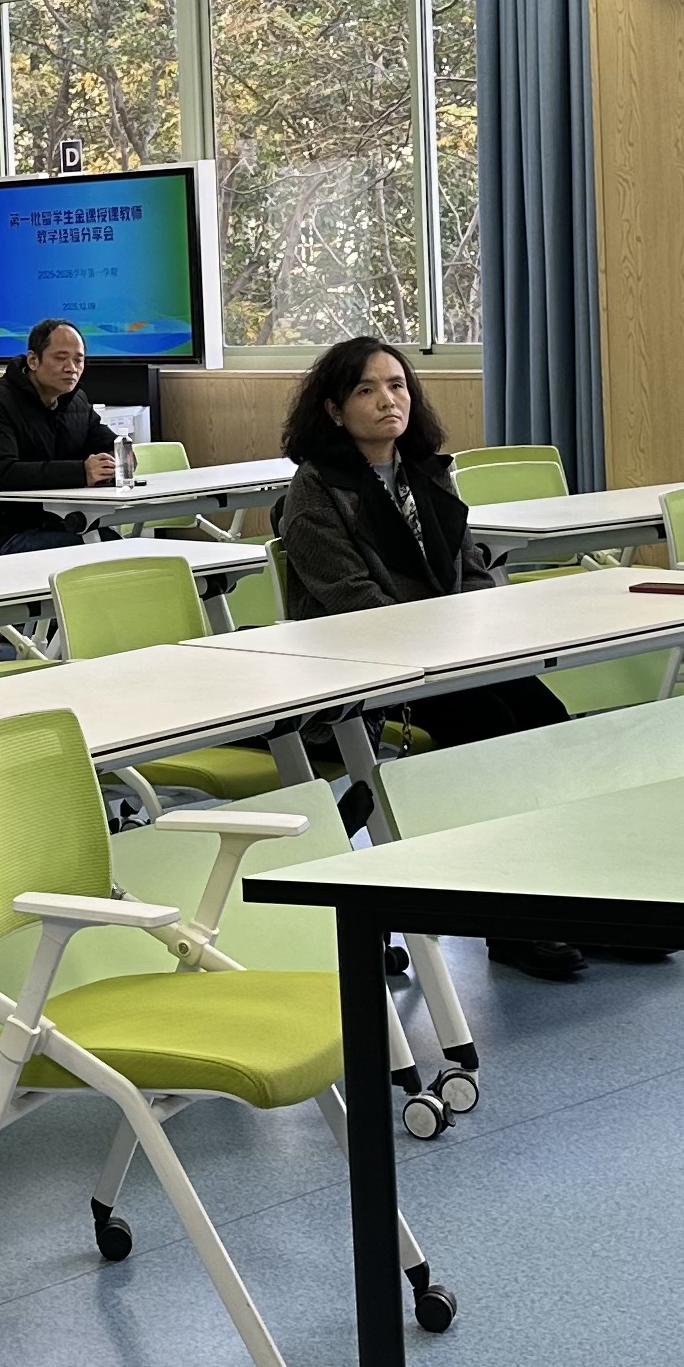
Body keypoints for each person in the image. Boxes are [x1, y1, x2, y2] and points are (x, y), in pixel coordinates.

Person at [269, 337, 585, 983]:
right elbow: (356, 603)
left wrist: (479, 626)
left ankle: (572, 901)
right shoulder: (315, 493)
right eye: (366, 390)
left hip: (451, 653)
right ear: (333, 410)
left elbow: (471, 568)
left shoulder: (426, 474)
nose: (388, 400)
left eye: (397, 386)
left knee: (547, 718)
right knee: (489, 728)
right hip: (369, 668)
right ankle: (508, 921)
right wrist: (450, 638)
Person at [0, 318, 119, 556]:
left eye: (78, 360)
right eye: (61, 358)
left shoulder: (76, 400)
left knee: (122, 549)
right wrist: (81, 472)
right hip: (8, 534)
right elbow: (1, 473)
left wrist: (117, 463)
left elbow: (111, 445)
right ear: (33, 360)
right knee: (98, 552)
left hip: (66, 523)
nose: (71, 368)